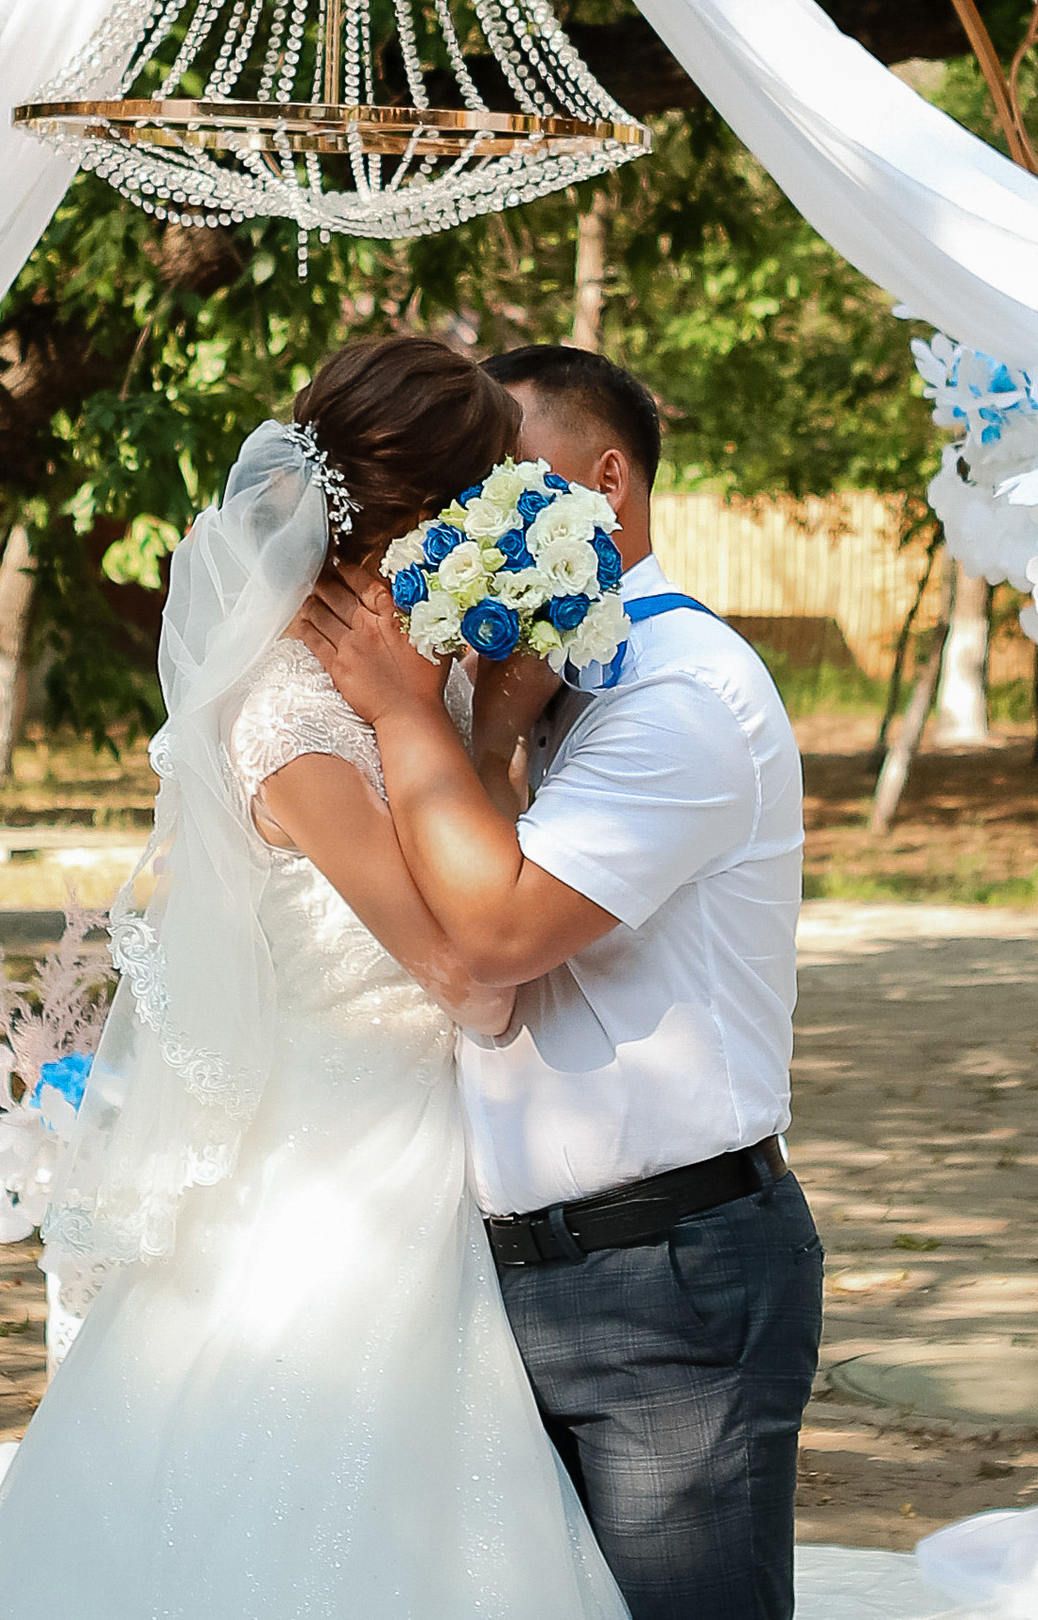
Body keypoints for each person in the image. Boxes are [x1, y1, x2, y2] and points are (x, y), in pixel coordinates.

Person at [0, 330, 630, 1620]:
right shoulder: (288, 715)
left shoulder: (413, 681)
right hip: (340, 1161)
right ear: (426, 511)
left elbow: (460, 876)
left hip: (416, 1138)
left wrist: (476, 737)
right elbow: (463, 978)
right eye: (485, 491)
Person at [299, 339, 817, 1620]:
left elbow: (496, 939)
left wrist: (405, 717)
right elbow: (469, 876)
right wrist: (479, 736)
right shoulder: (544, 681)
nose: (463, 523)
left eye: (499, 485)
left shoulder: (679, 691)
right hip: (516, 1275)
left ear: (606, 485)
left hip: (666, 1285)